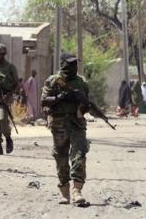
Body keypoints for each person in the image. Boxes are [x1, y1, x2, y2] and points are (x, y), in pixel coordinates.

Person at [41, 53, 89, 204]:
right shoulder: (53, 81)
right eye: (70, 64)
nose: (74, 67)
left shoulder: (81, 83)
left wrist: (81, 103)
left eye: (75, 64)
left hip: (77, 124)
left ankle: (77, 190)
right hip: (59, 124)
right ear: (63, 65)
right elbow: (44, 101)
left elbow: (87, 105)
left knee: (79, 154)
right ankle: (64, 192)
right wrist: (60, 97)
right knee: (61, 157)